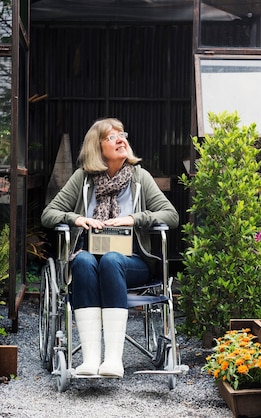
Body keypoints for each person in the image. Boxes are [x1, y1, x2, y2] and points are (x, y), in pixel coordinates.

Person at [41, 117, 179, 378]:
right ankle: (91, 360)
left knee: (112, 259)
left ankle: (114, 360)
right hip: (90, 261)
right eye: (112, 136)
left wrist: (134, 219)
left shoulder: (140, 178)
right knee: (81, 261)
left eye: (122, 134)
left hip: (132, 263)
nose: (121, 140)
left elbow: (171, 216)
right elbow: (49, 213)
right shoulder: (83, 179)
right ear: (97, 146)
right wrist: (76, 218)